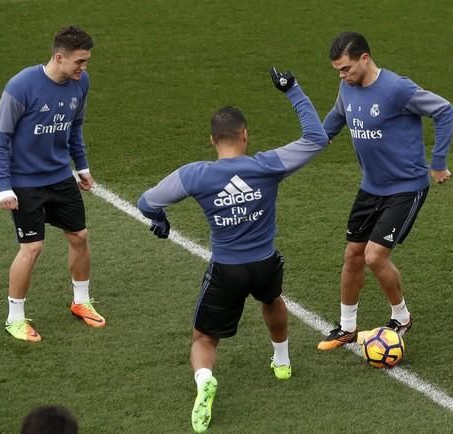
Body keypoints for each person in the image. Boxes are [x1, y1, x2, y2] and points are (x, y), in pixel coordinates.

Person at [137, 68, 328, 433]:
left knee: (204, 338)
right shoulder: (267, 165)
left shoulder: (195, 174)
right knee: (272, 301)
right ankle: (282, 361)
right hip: (265, 262)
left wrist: (160, 222)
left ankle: (204, 379)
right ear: (244, 135)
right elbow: (316, 138)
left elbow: (146, 201)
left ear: (213, 140)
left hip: (227, 269)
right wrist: (292, 90)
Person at [317, 32, 453, 351]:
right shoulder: (346, 87)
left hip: (406, 187)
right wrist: (312, 142)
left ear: (365, 59)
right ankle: (348, 328)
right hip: (371, 187)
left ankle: (401, 316)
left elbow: (444, 110)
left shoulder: (396, 88)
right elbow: (336, 118)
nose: (342, 75)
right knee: (352, 255)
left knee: (374, 256)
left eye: (347, 68)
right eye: (338, 70)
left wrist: (438, 162)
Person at [0, 25, 106, 343]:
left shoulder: (80, 84)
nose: (84, 68)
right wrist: (4, 185)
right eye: (80, 62)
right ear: (59, 57)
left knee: (79, 236)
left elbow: (75, 127)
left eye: (86, 61)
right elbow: (0, 138)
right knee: (32, 247)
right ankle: (15, 318)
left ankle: (81, 301)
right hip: (25, 183)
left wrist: (81, 166)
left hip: (59, 176)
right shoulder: (22, 86)